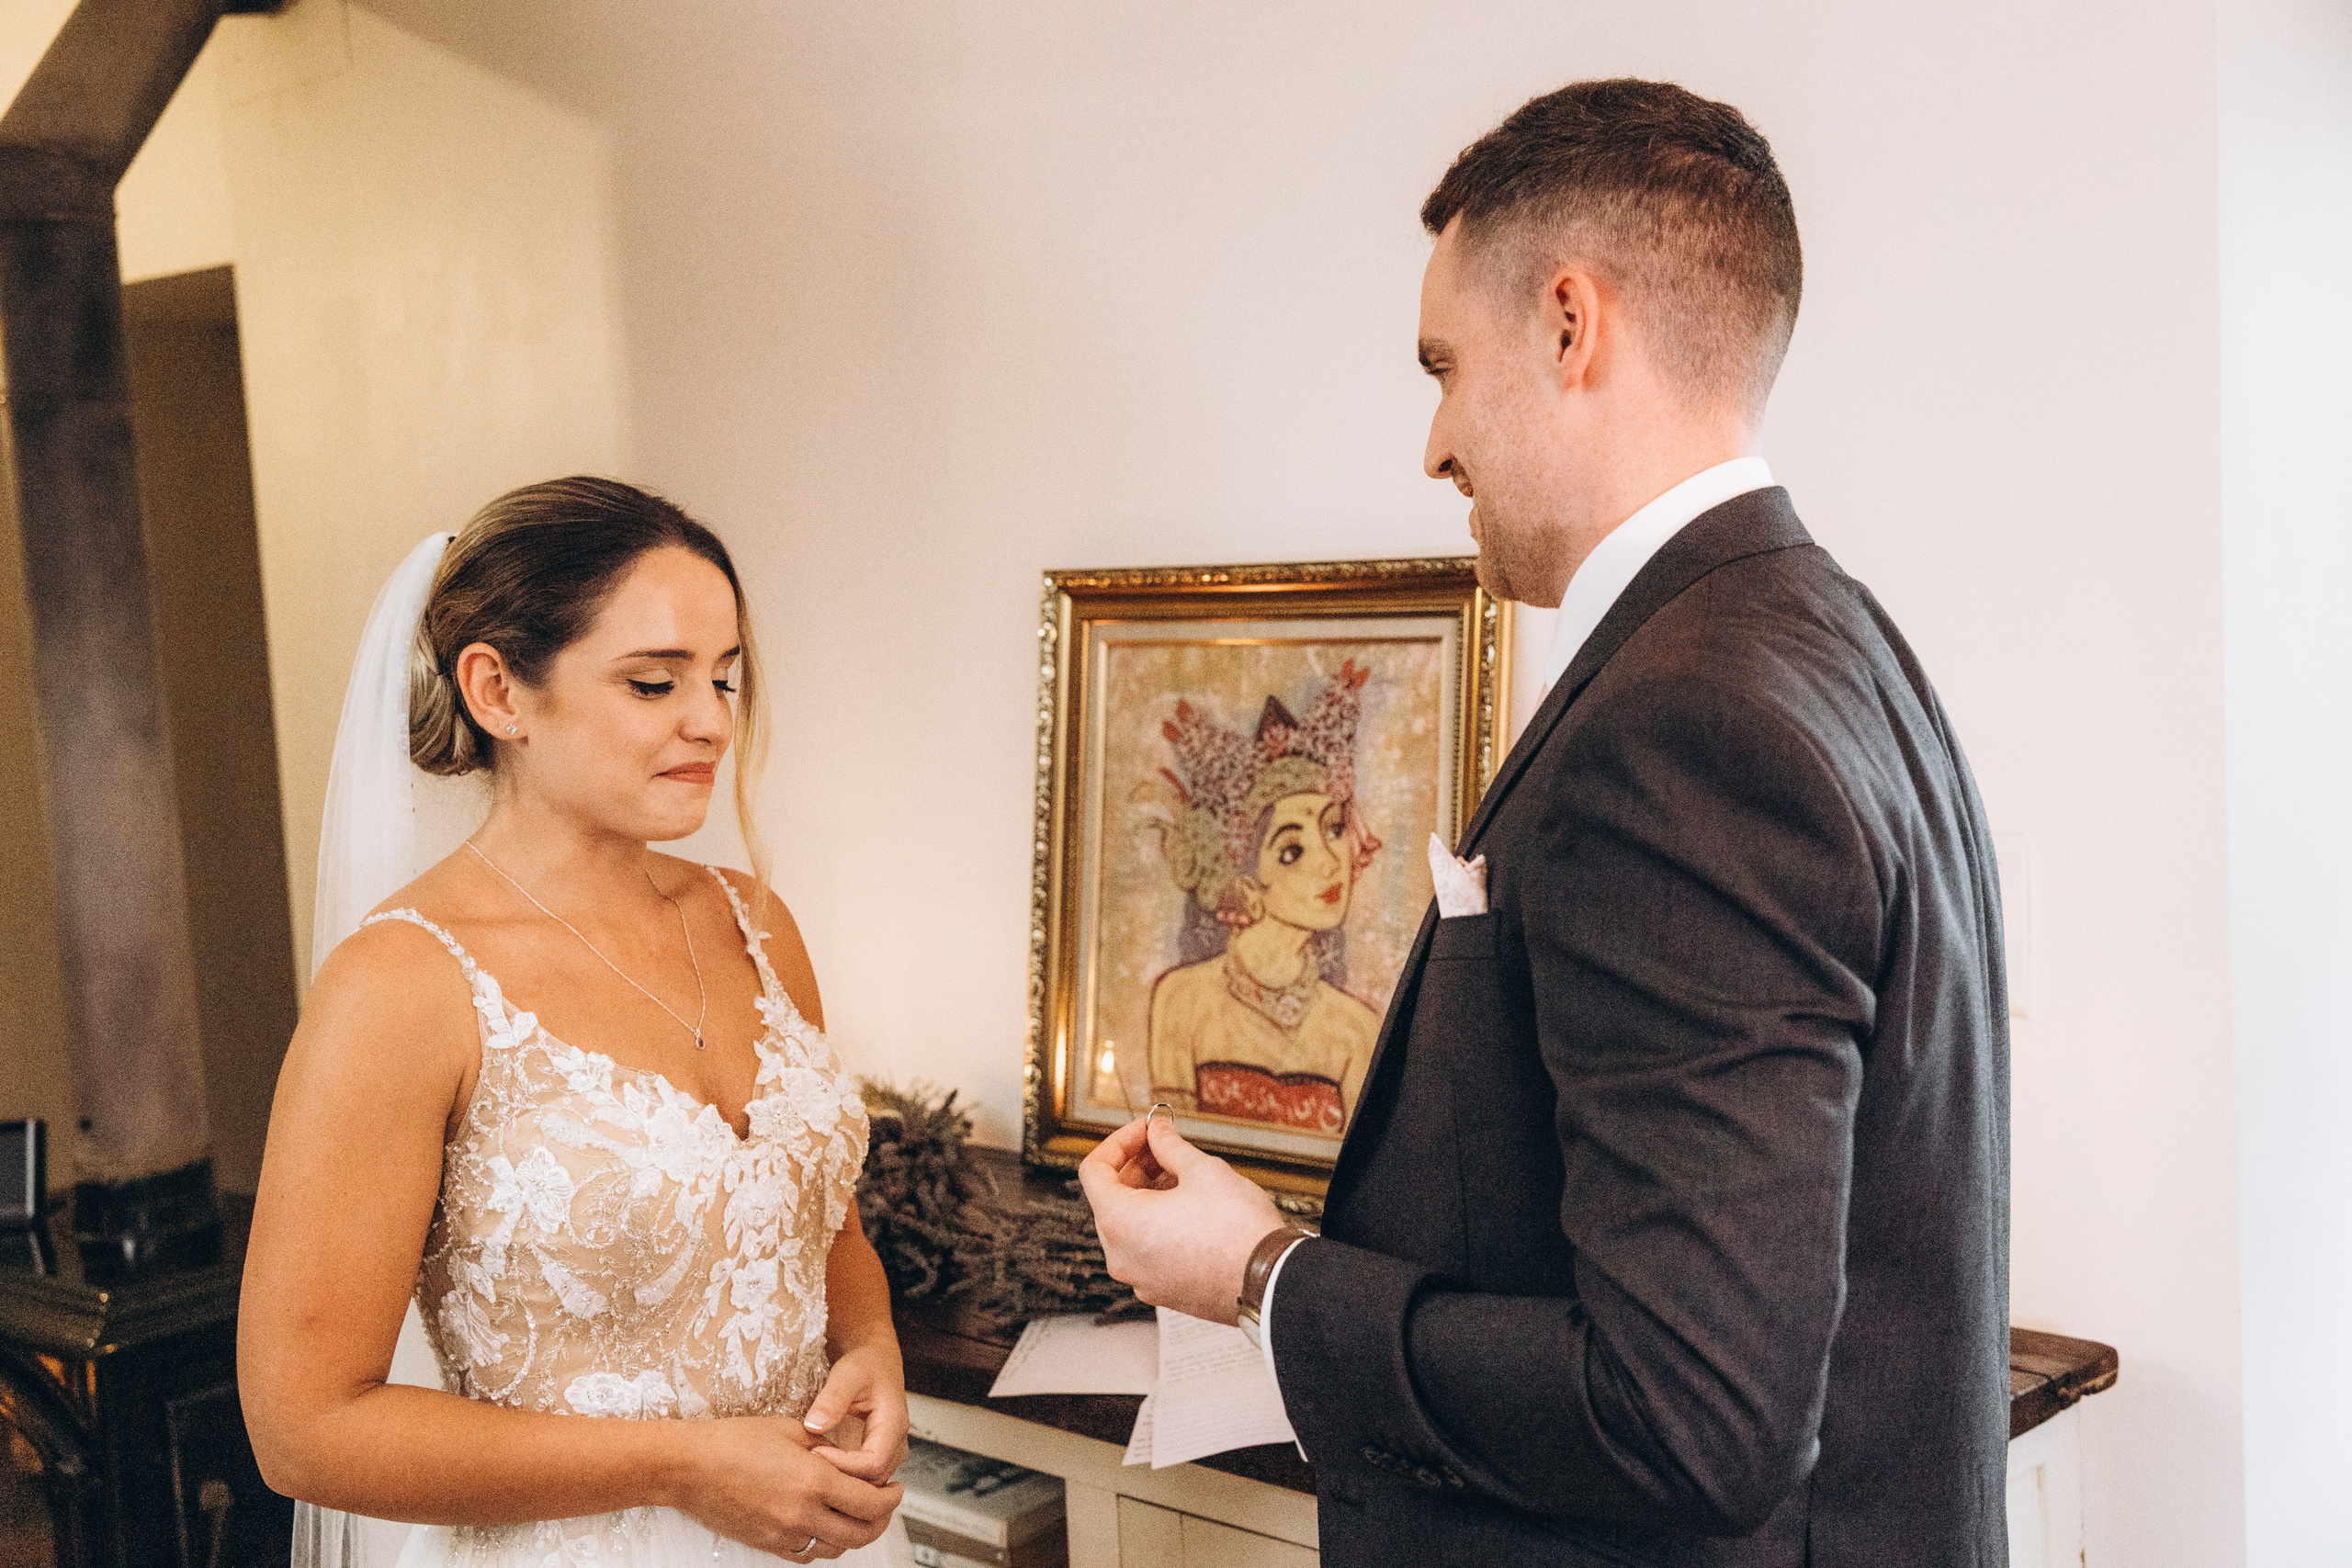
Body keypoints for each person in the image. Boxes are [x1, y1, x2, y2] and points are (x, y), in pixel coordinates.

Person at [1080, 78, 2009, 1567]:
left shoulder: (1686, 728)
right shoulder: (1833, 638)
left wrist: (1259, 1274)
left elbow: (1688, 1411)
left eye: (1444, 365)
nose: (1434, 443)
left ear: (1572, 322)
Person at [239, 478, 915, 1567]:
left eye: (725, 679)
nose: (710, 722)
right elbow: (305, 1431)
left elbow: (817, 1228)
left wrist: (872, 1346)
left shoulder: (755, 922)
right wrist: (687, 1464)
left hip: (821, 1535)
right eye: (653, 683)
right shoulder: (405, 986)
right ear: (499, 691)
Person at [1139, 662, 1383, 1133]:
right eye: (1292, 850)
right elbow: (1174, 1160)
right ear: (1242, 877)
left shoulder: (1357, 1030)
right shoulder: (1182, 1001)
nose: (1332, 862)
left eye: (1334, 829)